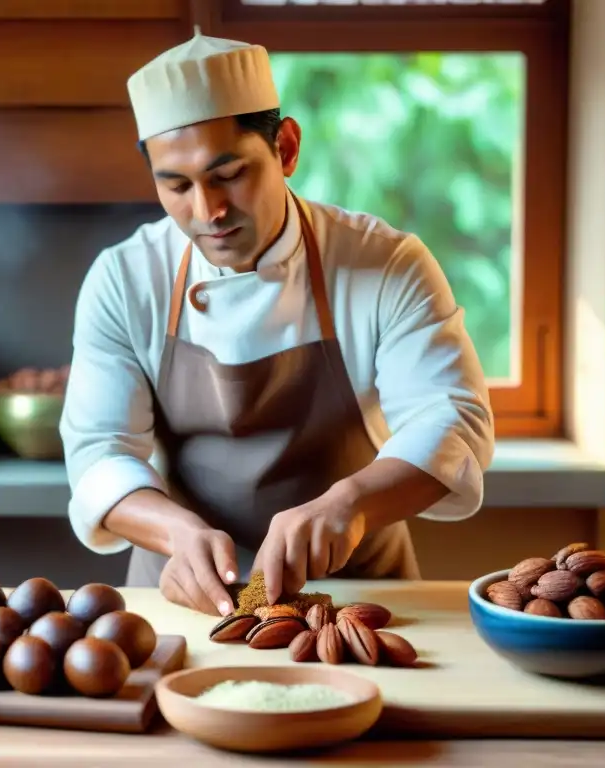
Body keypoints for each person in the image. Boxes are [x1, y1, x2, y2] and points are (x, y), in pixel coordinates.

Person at [60, 28, 495, 617]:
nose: (207, 212)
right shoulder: (124, 279)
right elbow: (98, 452)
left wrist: (351, 504)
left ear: (286, 148)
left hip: (356, 598)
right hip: (185, 601)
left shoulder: (384, 263)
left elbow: (452, 420)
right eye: (177, 185)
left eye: (229, 174)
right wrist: (174, 534)